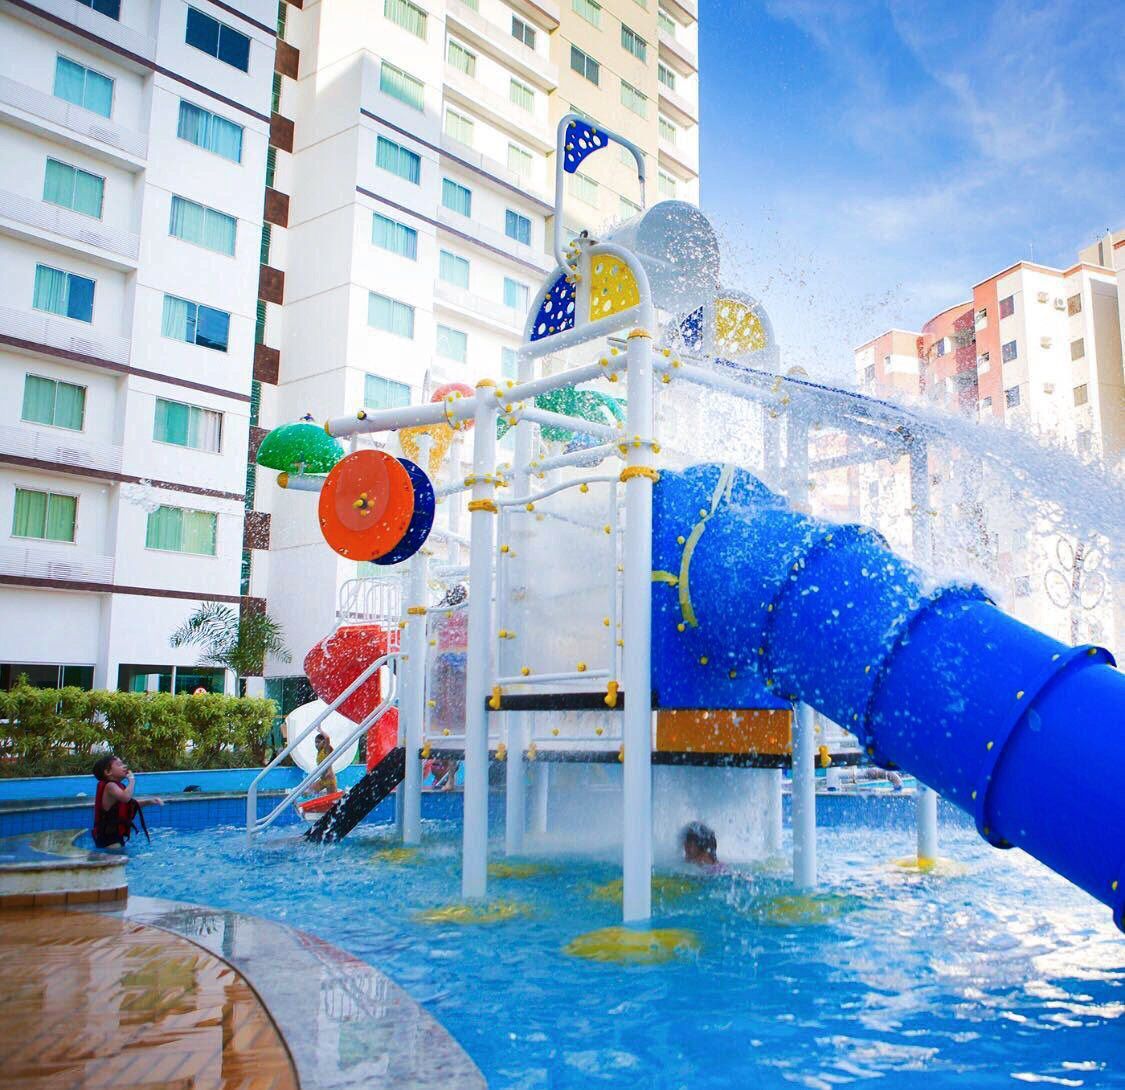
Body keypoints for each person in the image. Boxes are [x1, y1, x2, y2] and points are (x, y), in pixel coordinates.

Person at [91, 755, 162, 850]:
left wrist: (149, 801)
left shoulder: (117, 787)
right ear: (108, 772)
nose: (124, 766)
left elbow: (129, 804)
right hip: (108, 838)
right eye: (119, 764)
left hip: (112, 835)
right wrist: (132, 780)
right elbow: (126, 798)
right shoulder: (110, 786)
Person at [312, 731, 339, 796]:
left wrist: (320, 730)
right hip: (323, 779)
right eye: (315, 742)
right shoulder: (319, 752)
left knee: (332, 800)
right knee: (307, 792)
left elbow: (327, 738)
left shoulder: (326, 750)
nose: (316, 744)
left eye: (318, 742)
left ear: (323, 742)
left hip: (330, 779)